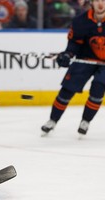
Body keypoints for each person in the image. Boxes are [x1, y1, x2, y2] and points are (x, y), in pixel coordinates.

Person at [41, 0, 105, 136]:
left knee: (98, 88)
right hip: (85, 59)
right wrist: (67, 55)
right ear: (92, 2)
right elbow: (74, 44)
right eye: (98, 0)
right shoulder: (80, 21)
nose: (101, 4)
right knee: (67, 90)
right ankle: (52, 120)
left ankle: (85, 121)